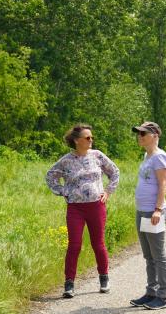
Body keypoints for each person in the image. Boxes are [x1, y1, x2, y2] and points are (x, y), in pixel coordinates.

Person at [46, 124, 120, 298]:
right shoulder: (66, 160)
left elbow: (114, 172)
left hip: (96, 206)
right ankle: (69, 283)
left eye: (91, 137)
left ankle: (104, 278)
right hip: (75, 208)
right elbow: (50, 176)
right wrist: (63, 191)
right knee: (74, 245)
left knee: (98, 244)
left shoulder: (97, 155)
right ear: (76, 140)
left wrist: (108, 191)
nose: (91, 140)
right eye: (87, 137)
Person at [129, 121, 166, 310]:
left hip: (153, 212)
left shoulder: (159, 157)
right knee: (148, 255)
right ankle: (151, 292)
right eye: (138, 133)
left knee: (158, 255)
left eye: (143, 133)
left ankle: (163, 296)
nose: (139, 137)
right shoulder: (146, 156)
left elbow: (163, 184)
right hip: (142, 211)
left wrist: (158, 209)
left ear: (155, 135)